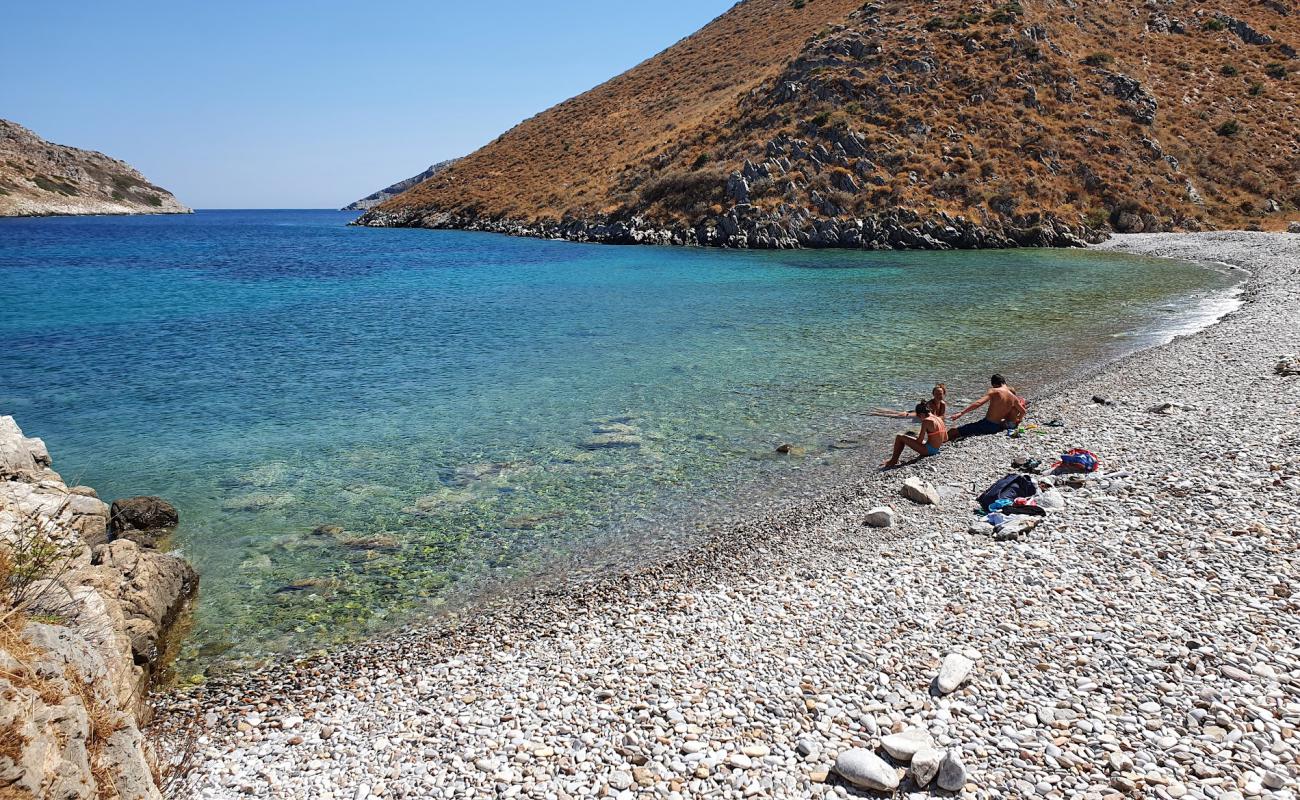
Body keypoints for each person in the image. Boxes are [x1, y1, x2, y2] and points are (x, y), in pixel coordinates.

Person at [949, 374, 1024, 439]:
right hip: (997, 427)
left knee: (953, 431)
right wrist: (1018, 421)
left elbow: (978, 403)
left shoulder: (994, 390)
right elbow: (1023, 411)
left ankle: (939, 444)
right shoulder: (1013, 397)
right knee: (961, 433)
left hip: (987, 425)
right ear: (1004, 382)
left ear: (994, 384)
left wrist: (961, 413)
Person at [881, 401, 948, 469]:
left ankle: (893, 460)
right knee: (912, 435)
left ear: (921, 414)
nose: (920, 419)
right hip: (936, 449)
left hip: (928, 451)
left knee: (899, 437)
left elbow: (919, 441)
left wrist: (911, 440)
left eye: (919, 417)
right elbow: (945, 438)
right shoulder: (939, 418)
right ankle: (894, 459)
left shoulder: (926, 421)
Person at [870, 384, 947, 419]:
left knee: (896, 413)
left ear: (943, 394)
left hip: (917, 413)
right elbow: (932, 417)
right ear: (933, 394)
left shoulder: (942, 404)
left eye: (940, 394)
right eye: (936, 394)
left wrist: (940, 418)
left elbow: (942, 415)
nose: (938, 395)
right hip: (915, 415)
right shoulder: (930, 404)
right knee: (894, 415)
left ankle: (875, 411)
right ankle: (875, 413)